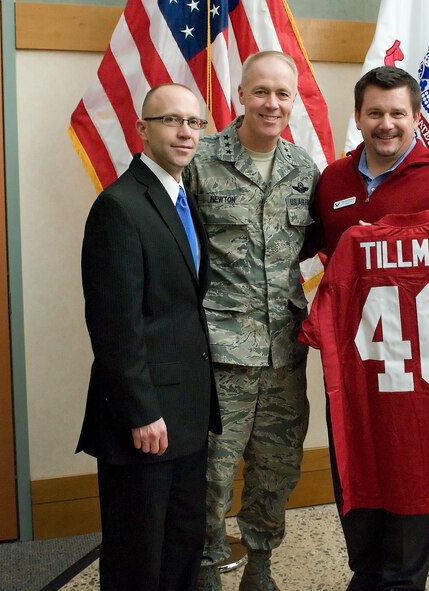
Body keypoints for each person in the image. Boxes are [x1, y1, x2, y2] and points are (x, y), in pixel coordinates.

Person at [304, 65, 429, 591]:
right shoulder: (332, 180)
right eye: (375, 113)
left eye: (398, 113)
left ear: (416, 117)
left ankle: (402, 581)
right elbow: (312, 254)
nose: (386, 124)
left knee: (410, 485)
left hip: (420, 379)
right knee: (354, 476)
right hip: (355, 372)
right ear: (357, 117)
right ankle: (366, 574)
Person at [184, 51, 319, 591]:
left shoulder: (303, 169)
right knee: (212, 471)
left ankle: (261, 564)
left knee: (277, 467)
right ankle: (207, 564)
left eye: (282, 94)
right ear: (241, 94)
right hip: (220, 351)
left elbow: (309, 247)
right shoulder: (201, 159)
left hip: (284, 352)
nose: (272, 103)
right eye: (261, 92)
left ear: (293, 100)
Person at [77, 83, 221, 590]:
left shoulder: (180, 197)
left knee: (181, 542)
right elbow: (115, 326)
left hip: (185, 412)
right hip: (145, 418)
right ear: (142, 129)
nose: (185, 132)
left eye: (195, 123)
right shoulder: (120, 206)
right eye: (171, 121)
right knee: (138, 552)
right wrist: (142, 411)